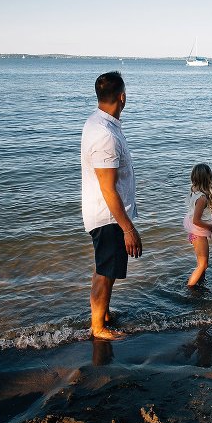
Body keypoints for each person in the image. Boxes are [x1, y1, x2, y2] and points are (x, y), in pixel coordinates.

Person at [81, 71, 142, 340]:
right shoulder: (105, 134)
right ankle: (99, 328)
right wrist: (128, 228)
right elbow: (108, 188)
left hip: (105, 214)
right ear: (122, 97)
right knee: (105, 272)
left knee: (104, 269)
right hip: (109, 216)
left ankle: (102, 315)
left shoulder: (99, 124)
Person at [183, 163, 212, 287]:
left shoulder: (193, 189)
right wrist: (211, 227)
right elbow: (196, 220)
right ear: (208, 178)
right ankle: (190, 288)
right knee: (203, 264)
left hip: (195, 232)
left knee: (201, 263)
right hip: (198, 232)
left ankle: (200, 284)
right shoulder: (202, 198)